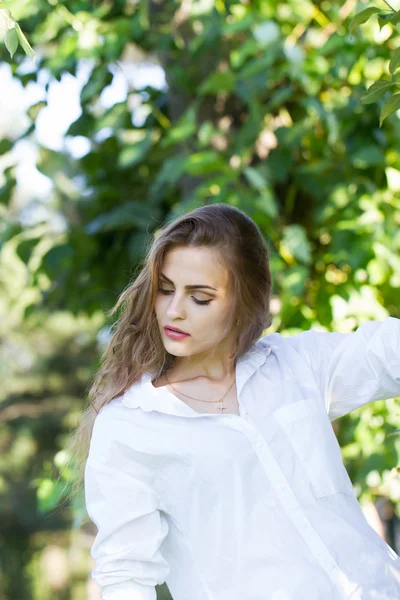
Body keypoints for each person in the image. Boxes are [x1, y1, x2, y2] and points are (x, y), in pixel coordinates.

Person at [71, 203, 400, 599]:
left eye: (201, 297)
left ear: (244, 302)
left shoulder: (297, 364)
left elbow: (383, 351)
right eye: (166, 289)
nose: (174, 311)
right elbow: (125, 575)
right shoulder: (131, 425)